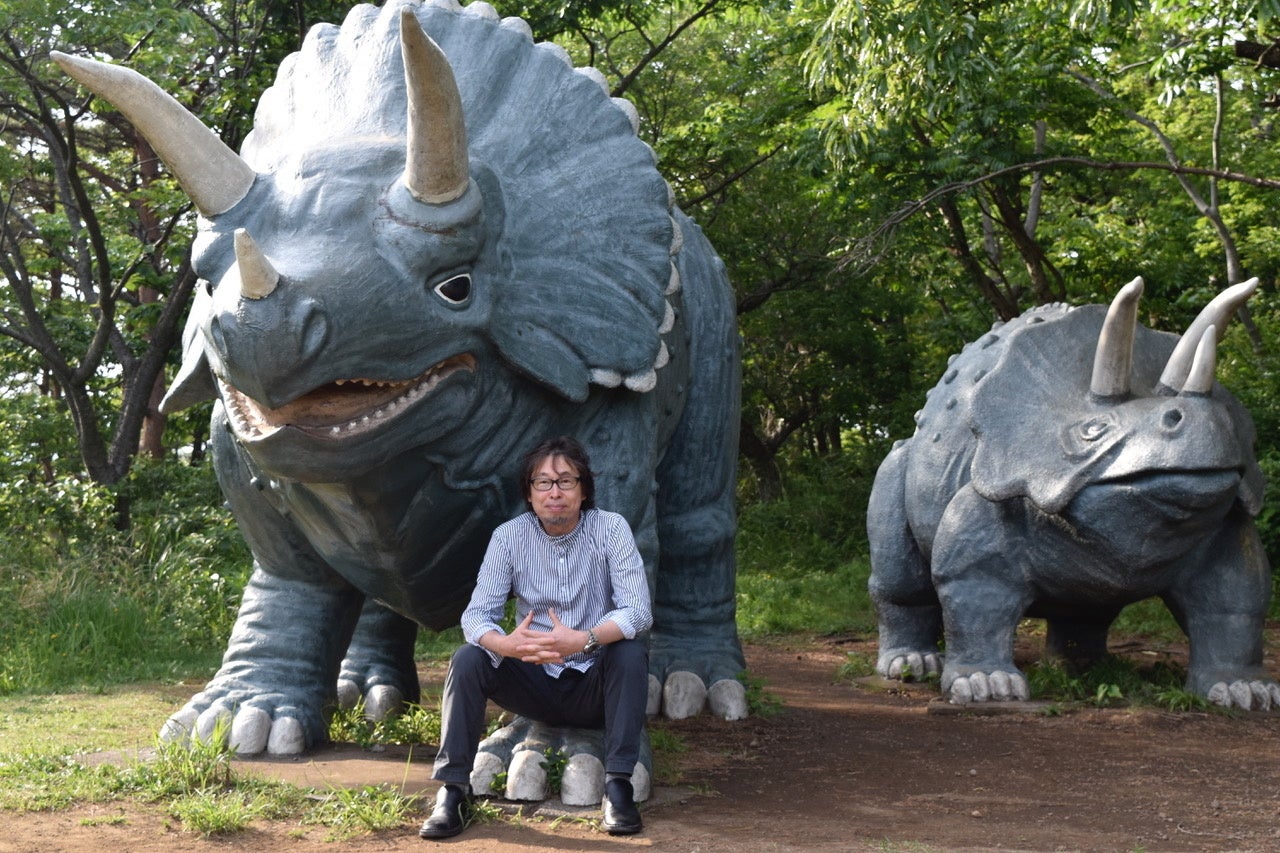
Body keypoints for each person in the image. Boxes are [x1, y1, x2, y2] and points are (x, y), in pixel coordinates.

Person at [419, 435, 653, 839]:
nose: (554, 492)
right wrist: (505, 645)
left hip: (593, 683)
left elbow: (638, 610)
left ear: (583, 490)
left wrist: (584, 639)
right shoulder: (508, 537)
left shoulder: (611, 529)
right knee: (468, 658)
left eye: (566, 481)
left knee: (629, 652)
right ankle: (453, 790)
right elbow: (476, 615)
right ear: (529, 493)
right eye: (543, 482)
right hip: (532, 680)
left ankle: (617, 786)